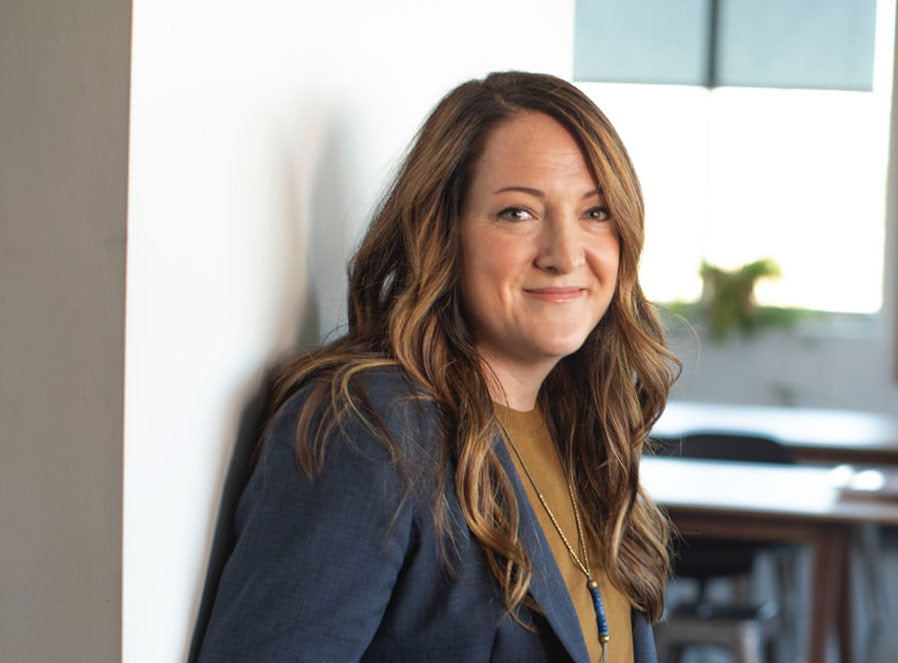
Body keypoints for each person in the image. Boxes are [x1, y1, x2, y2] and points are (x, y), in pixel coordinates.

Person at [194, 72, 678, 662]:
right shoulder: (367, 430)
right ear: (444, 231)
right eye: (517, 213)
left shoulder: (585, 432)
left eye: (596, 212)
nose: (565, 254)